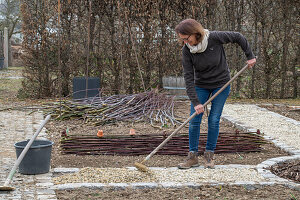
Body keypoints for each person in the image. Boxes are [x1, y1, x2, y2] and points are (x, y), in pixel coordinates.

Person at [175, 19, 256, 169]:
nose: (185, 42)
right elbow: (188, 77)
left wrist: (249, 56)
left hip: (221, 85)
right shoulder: (187, 50)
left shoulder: (214, 37)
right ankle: (192, 157)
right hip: (201, 86)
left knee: (213, 120)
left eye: (187, 38)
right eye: (183, 39)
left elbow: (238, 37)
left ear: (195, 33)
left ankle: (209, 156)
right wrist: (196, 102)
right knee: (194, 121)